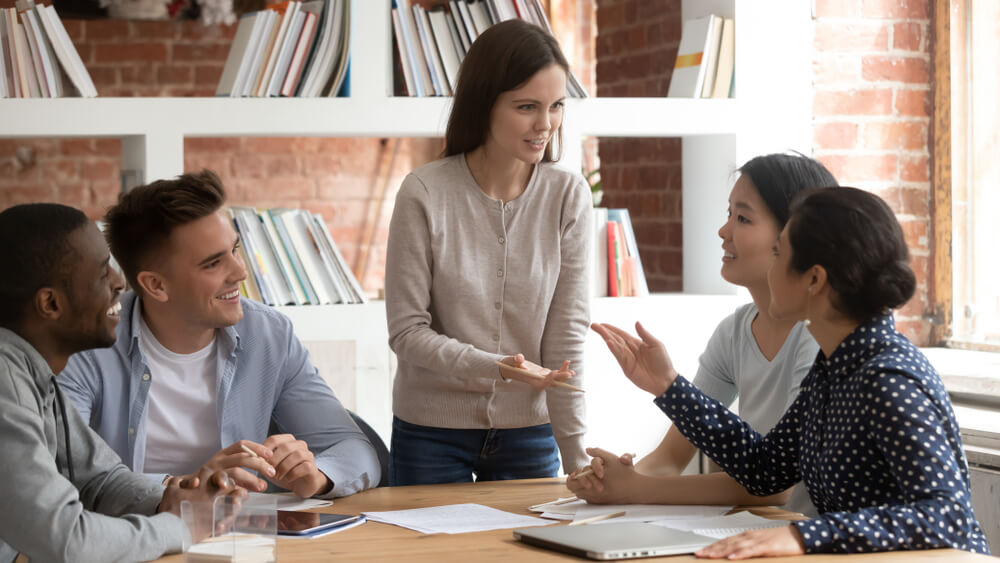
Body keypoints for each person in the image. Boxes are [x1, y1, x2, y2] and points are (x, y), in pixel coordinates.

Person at [592, 187, 990, 557]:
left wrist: (802, 535)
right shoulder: (834, 368)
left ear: (814, 279)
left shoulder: (887, 379)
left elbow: (948, 518)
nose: (770, 269)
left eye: (779, 254)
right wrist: (668, 386)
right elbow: (765, 469)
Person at [60, 170, 381, 499]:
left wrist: (318, 475)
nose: (240, 272)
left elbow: (353, 448)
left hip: (245, 539)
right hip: (134, 537)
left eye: (235, 250)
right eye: (213, 263)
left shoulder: (268, 335)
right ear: (156, 285)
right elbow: (67, 473)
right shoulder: (86, 347)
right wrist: (192, 486)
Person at [569, 154, 837, 516]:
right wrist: (611, 480)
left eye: (743, 218)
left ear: (793, 237)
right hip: (764, 534)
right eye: (729, 214)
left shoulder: (820, 338)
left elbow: (776, 487)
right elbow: (670, 456)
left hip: (807, 541)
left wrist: (637, 488)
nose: (723, 231)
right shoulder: (734, 332)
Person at [385, 19, 590, 485]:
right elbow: (406, 332)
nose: (545, 124)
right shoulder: (424, 192)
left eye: (556, 106)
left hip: (531, 433)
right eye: (526, 107)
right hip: (429, 433)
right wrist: (497, 367)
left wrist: (577, 457)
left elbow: (566, 339)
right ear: (484, 103)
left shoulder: (567, 196)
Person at [0, 203, 244, 562]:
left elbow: (99, 480)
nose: (119, 283)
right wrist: (180, 528)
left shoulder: (32, 373)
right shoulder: (5, 383)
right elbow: (66, 541)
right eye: (102, 274)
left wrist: (180, 499)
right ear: (50, 303)